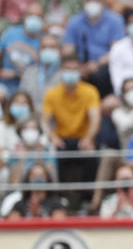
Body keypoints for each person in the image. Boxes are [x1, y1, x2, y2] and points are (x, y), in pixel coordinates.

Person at [42, 52, 102, 205]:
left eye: (74, 69)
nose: (71, 73)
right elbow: (44, 121)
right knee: (54, 153)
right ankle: (60, 197)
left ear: (80, 71)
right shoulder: (52, 93)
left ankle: (86, 198)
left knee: (90, 154)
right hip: (61, 139)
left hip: (83, 138)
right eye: (67, 69)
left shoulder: (90, 91)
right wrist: (53, 137)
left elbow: (95, 119)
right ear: (61, 71)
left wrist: (88, 138)